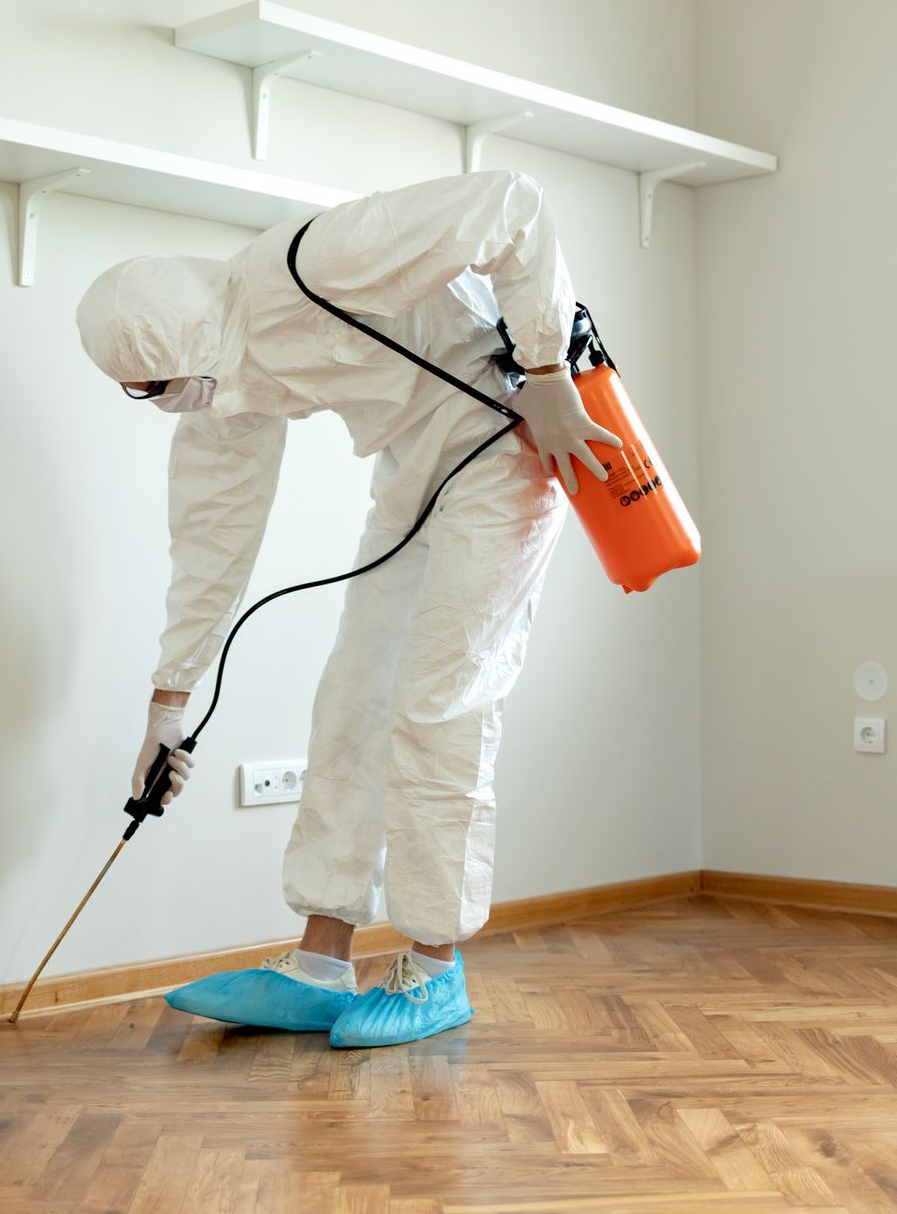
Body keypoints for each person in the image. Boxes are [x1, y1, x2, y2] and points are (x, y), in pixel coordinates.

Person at [75, 171, 617, 1048]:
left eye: (155, 384)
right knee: (353, 697)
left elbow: (513, 206)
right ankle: (321, 962)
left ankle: (436, 964)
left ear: (183, 344)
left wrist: (550, 370)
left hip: (505, 442)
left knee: (440, 701)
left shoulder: (311, 264)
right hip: (411, 471)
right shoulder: (221, 380)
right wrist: (168, 710)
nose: (163, 402)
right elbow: (210, 543)